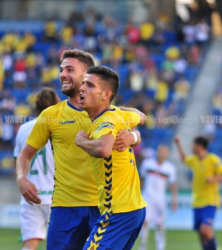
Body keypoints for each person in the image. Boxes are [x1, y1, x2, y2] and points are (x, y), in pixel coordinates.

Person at [16, 50, 140, 250]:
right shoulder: (50, 116)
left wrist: (133, 137)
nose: (62, 74)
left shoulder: (106, 113)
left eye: (69, 70)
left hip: (104, 206)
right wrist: (21, 178)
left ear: (86, 75)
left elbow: (137, 119)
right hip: (65, 207)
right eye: (61, 69)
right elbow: (25, 154)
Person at [75, 66, 147, 250]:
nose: (82, 88)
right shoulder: (117, 115)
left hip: (117, 212)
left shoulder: (105, 121)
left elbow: (104, 149)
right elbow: (141, 116)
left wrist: (81, 142)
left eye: (90, 85)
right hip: (134, 210)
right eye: (83, 83)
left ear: (105, 94)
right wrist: (134, 137)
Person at [13, 88, 59, 250]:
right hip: (58, 197)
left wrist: (21, 179)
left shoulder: (24, 129)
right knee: (62, 244)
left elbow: (18, 160)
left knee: (29, 245)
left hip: (31, 195)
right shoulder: (61, 126)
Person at [174, 135, 222, 250]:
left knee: (205, 230)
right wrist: (178, 144)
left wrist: (214, 179)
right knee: (201, 234)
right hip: (197, 202)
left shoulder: (213, 159)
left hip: (210, 200)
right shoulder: (194, 159)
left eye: (193, 145)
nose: (191, 147)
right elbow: (184, 158)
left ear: (199, 146)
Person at [139, 145, 178, 250]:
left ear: (167, 154)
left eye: (164, 152)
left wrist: (175, 200)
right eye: (160, 151)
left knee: (160, 224)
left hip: (160, 200)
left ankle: (160, 247)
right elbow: (141, 179)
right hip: (147, 198)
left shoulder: (170, 168)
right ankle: (142, 246)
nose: (161, 153)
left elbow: (173, 185)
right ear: (157, 152)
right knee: (145, 222)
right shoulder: (147, 164)